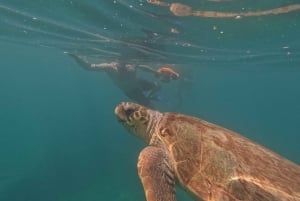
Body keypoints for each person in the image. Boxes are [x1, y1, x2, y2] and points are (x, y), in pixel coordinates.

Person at [65, 53, 179, 107]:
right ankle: (149, 100)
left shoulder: (131, 64)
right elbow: (89, 67)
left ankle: (150, 96)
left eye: (125, 63)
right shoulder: (110, 67)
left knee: (158, 86)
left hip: (138, 81)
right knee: (150, 107)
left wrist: (155, 72)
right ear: (117, 62)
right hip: (131, 91)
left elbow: (141, 66)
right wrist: (76, 57)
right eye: (122, 63)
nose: (125, 65)